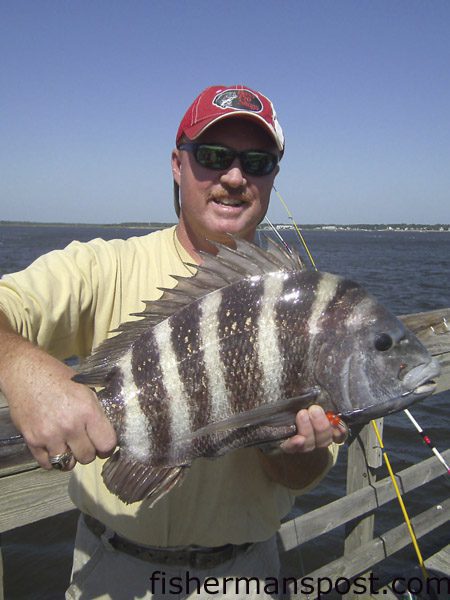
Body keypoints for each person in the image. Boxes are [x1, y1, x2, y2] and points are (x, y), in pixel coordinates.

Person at [0, 85, 344, 599]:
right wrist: (23, 372)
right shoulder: (105, 267)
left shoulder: (301, 305)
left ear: (274, 175)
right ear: (177, 165)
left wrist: (291, 446)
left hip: (245, 576)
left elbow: (298, 476)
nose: (233, 177)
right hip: (113, 572)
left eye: (257, 161)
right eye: (211, 157)